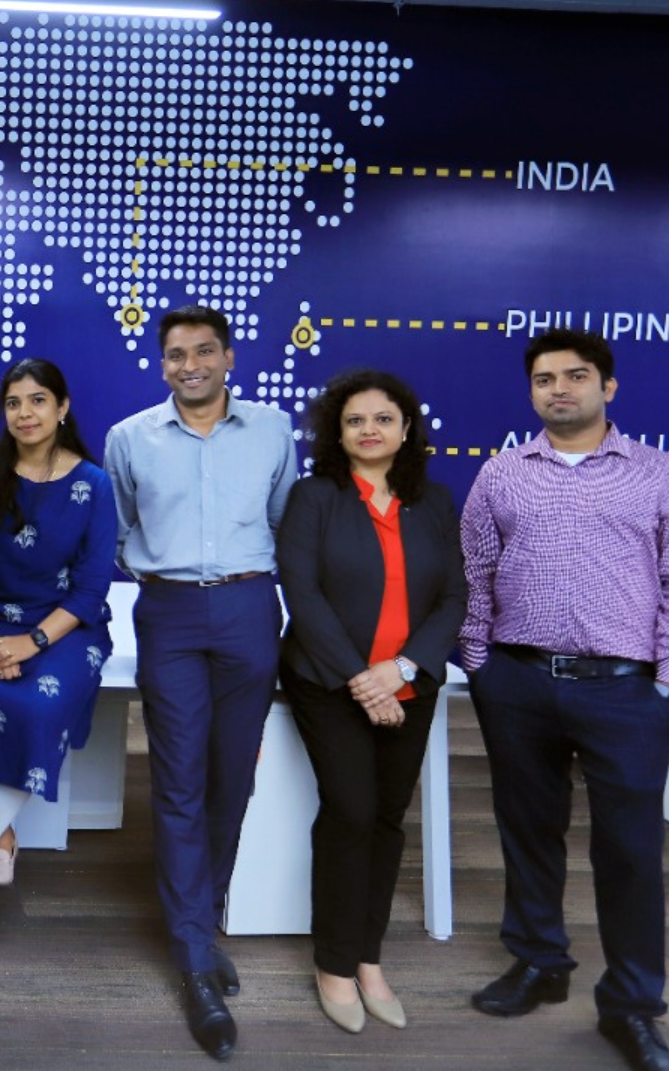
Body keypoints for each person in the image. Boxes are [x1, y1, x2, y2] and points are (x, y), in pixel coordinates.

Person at [461, 329, 669, 1071]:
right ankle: (539, 961)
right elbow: (475, 570)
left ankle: (632, 1006)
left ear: (609, 386)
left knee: (630, 850)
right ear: (531, 391)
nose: (559, 389)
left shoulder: (663, 475)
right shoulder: (502, 474)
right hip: (517, 682)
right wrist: (480, 667)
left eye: (576, 376)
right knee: (528, 829)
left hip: (626, 691)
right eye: (545, 379)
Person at [103, 304, 296, 1061]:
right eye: (177, 355)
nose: (191, 366)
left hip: (250, 607)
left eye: (204, 351)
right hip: (171, 611)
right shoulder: (130, 438)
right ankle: (192, 957)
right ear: (162, 364)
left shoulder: (272, 431)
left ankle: (203, 919)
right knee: (179, 781)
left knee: (231, 777)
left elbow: (285, 520)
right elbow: (120, 527)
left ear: (228, 357)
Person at [276, 368, 467, 1033]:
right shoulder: (314, 497)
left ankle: (368, 957)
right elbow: (302, 593)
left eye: (383, 418)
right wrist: (362, 679)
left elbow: (455, 596)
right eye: (354, 420)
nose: (369, 430)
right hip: (330, 684)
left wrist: (402, 669)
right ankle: (333, 963)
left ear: (406, 428)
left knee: (387, 819)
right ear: (337, 431)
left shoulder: (434, 502)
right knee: (352, 812)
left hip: (411, 685)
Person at [0, 358, 115, 925]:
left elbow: (92, 588)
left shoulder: (93, 485)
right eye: (14, 402)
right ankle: (4, 835)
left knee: (37, 708)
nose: (25, 413)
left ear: (62, 408)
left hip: (66, 626)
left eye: (38, 400)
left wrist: (33, 641)